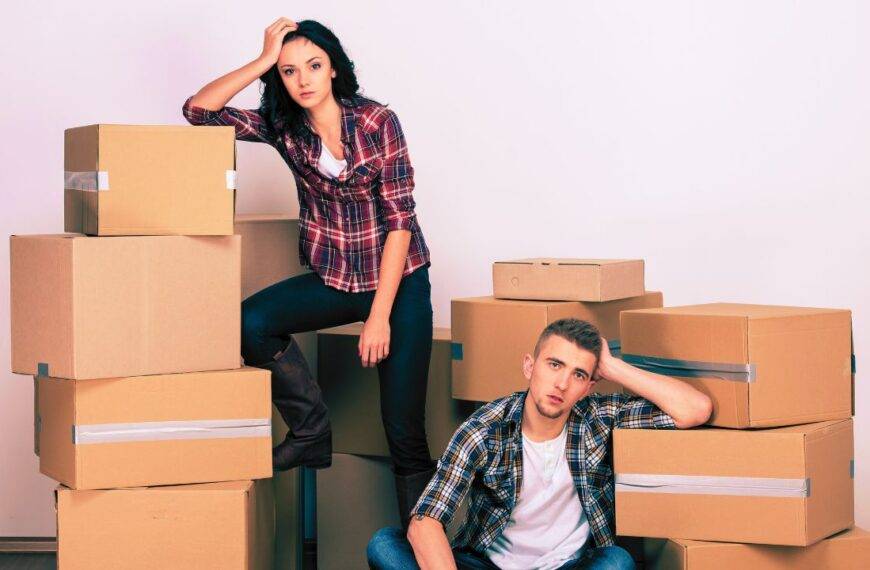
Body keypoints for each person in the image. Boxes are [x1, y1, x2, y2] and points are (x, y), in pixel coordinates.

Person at [182, 18, 435, 526]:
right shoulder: (284, 127)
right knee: (248, 322)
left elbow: (400, 223)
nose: (304, 80)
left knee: (404, 431)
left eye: (314, 66)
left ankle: (422, 555)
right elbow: (198, 111)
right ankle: (311, 430)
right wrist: (261, 60)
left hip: (398, 282)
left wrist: (380, 316)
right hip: (335, 277)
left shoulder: (377, 122)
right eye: (290, 70)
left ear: (334, 68)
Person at [367, 318, 714, 569]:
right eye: (554, 364)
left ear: (589, 386)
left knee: (617, 562)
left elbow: (695, 410)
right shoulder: (486, 428)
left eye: (579, 374)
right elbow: (426, 520)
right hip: (487, 564)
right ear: (529, 366)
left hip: (567, 566)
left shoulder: (598, 417)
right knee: (385, 544)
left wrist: (612, 366)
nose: (562, 383)